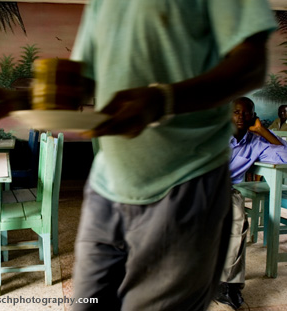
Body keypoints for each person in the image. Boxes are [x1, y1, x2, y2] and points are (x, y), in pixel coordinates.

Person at [64, 1, 278, 310]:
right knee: (88, 303)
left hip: (184, 182)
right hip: (106, 185)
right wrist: (26, 97)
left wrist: (163, 99)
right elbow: (85, 78)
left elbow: (252, 63)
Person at [216, 97, 287, 310]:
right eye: (236, 112)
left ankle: (228, 285)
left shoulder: (256, 142)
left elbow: (285, 155)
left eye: (246, 113)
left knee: (237, 217)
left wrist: (262, 131)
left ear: (253, 116)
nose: (241, 117)